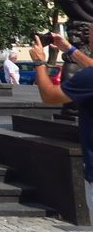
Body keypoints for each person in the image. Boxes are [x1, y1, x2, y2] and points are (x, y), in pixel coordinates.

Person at [28, 34, 93, 215]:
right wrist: (69, 49)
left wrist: (39, 62)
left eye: (90, 35)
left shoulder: (88, 78)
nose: (88, 40)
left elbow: (50, 96)